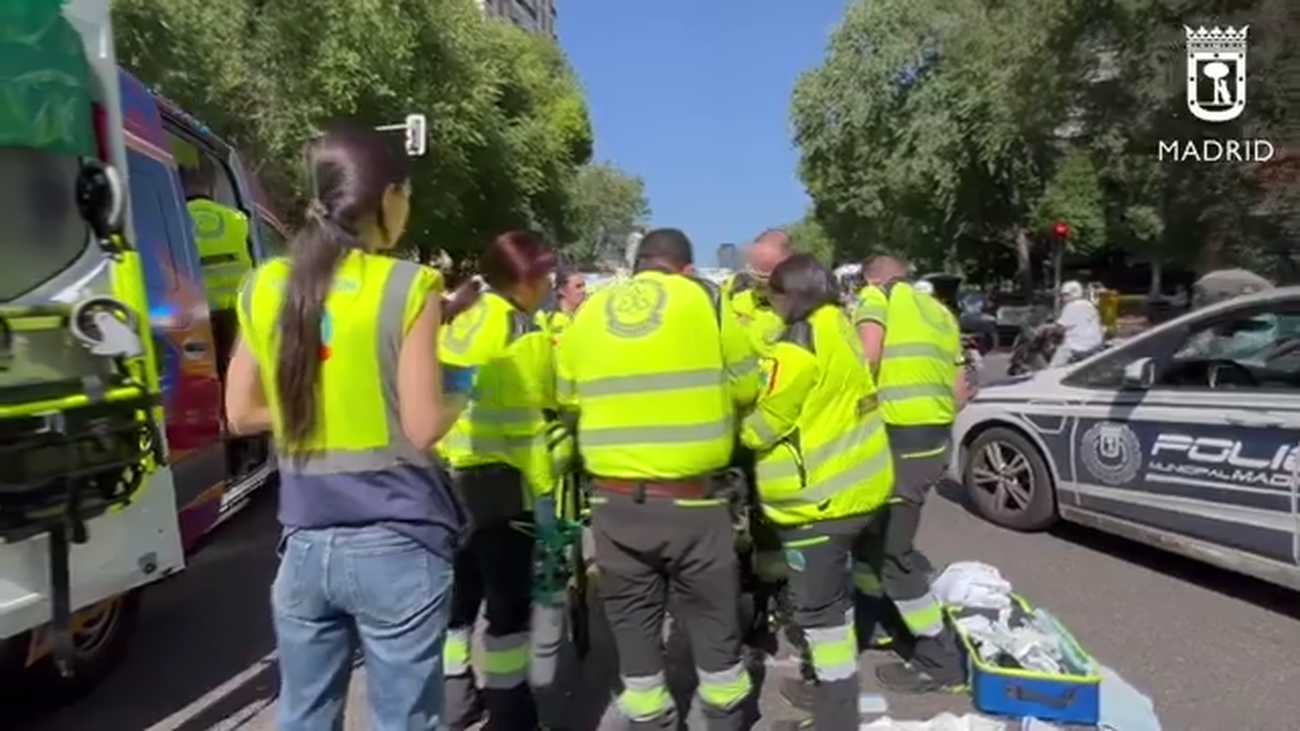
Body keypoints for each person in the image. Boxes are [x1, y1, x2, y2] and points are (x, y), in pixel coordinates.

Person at [224, 125, 464, 730]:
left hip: (304, 546)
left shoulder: (265, 286)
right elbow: (423, 425)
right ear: (388, 196)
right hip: (398, 542)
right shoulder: (409, 285)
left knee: (304, 715)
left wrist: (314, 412)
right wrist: (463, 393)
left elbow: (240, 413)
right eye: (406, 196)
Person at [555, 228, 760, 730]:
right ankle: (720, 718)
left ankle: (650, 718)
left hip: (615, 504)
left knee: (634, 633)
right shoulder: (707, 304)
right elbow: (747, 386)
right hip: (695, 503)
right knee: (713, 628)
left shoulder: (590, 311)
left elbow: (566, 396)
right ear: (685, 270)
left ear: (637, 265)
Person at [742, 254, 895, 730]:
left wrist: (734, 428)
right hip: (859, 489)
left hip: (817, 503)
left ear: (790, 295)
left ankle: (835, 719)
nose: (771, 306)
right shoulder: (839, 323)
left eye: (773, 297)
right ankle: (834, 708)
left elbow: (765, 426)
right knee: (835, 612)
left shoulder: (797, 344)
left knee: (824, 623)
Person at [437, 232, 558, 730]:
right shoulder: (520, 329)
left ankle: (455, 699)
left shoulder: (458, 317)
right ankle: (512, 717)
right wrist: (546, 497)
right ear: (527, 279)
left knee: (458, 600)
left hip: (444, 480)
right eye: (546, 275)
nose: (549, 285)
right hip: (501, 489)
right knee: (508, 612)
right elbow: (530, 426)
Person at [852, 254, 967, 694]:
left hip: (898, 441)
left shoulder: (876, 298)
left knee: (894, 556)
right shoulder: (940, 312)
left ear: (870, 278)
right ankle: (877, 621)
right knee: (873, 542)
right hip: (933, 442)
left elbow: (866, 360)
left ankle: (940, 661)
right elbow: (960, 391)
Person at [183, 160, 252, 363]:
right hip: (234, 312)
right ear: (209, 187)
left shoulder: (176, 218)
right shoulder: (237, 219)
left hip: (196, 313)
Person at [1047, 280, 1104, 367]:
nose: (1063, 298)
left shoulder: (1072, 306)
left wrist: (1044, 329)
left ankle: (1050, 372)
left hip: (1078, 346)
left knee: (1058, 357)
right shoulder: (1089, 305)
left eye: (1065, 295)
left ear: (1073, 294)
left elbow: (1059, 328)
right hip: (1095, 344)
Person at [536, 267, 586, 342]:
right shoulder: (545, 317)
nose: (584, 290)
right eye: (578, 286)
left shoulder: (586, 314)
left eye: (584, 286)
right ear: (561, 290)